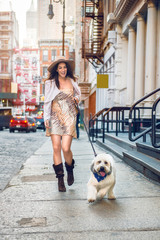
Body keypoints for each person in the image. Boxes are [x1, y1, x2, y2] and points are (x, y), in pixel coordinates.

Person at [44, 56, 81, 192]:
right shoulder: (50, 83)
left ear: (67, 69)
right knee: (56, 147)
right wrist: (46, 117)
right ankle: (60, 179)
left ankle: (70, 169)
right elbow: (47, 101)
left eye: (64, 67)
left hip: (69, 116)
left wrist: (76, 98)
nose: (63, 70)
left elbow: (79, 94)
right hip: (54, 116)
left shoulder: (72, 81)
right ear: (56, 69)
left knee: (66, 148)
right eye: (60, 67)